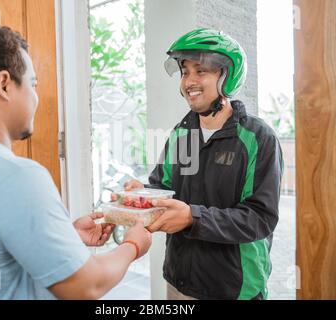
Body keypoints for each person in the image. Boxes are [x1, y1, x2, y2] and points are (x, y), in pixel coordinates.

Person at [0, 25, 151, 300]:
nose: (36, 96)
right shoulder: (17, 177)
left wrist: (64, 235)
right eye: (32, 83)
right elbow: (86, 286)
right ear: (4, 84)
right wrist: (133, 245)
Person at [120, 28, 283, 300]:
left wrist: (191, 217)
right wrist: (143, 194)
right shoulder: (182, 135)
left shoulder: (257, 138)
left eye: (201, 71)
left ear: (225, 77)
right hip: (179, 281)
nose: (189, 81)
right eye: (185, 72)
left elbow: (260, 218)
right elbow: (164, 187)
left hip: (234, 288)